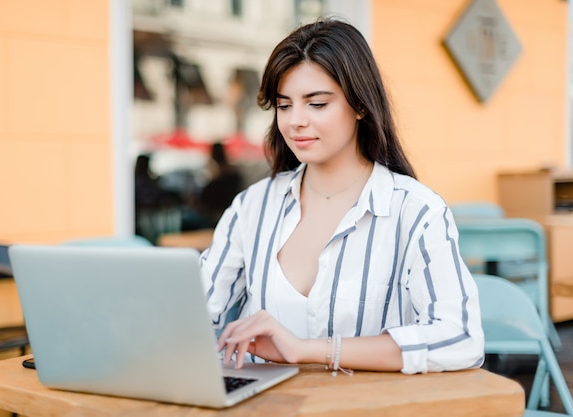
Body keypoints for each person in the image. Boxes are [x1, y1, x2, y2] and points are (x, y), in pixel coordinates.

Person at [200, 18, 484, 375]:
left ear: (360, 106)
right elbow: (192, 314)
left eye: (316, 104)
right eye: (284, 105)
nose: (295, 121)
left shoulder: (415, 210)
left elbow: (461, 338)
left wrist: (309, 350)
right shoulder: (251, 206)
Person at [197, 142, 245, 227]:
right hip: (231, 214)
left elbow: (205, 201)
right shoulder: (234, 174)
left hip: (217, 217)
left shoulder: (218, 178)